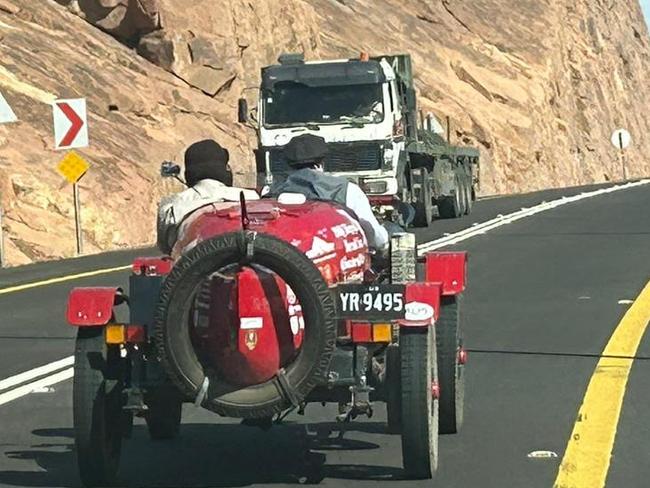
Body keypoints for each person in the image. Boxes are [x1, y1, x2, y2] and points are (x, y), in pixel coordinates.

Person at [264, 134, 389, 252]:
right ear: (322, 162)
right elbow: (373, 235)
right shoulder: (347, 190)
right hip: (337, 259)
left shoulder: (271, 193)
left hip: (283, 261)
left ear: (288, 164)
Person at [157, 139, 259, 254]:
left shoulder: (172, 206)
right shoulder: (250, 198)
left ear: (188, 173)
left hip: (193, 268)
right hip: (255, 263)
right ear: (222, 169)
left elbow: (166, 248)